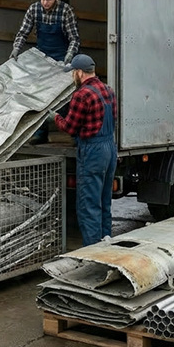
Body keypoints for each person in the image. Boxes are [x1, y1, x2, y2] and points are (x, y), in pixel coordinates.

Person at [52, 54, 117, 246]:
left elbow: (70, 128)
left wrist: (54, 118)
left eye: (73, 72)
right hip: (109, 148)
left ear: (79, 72)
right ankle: (106, 242)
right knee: (104, 201)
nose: (73, 76)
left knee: (88, 205)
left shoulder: (82, 95)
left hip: (92, 152)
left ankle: (92, 250)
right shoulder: (108, 90)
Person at [10, 0, 80, 63]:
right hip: (42, 55)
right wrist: (16, 48)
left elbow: (74, 38)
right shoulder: (34, 9)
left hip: (62, 56)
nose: (45, 3)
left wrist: (70, 53)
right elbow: (23, 33)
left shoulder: (66, 11)